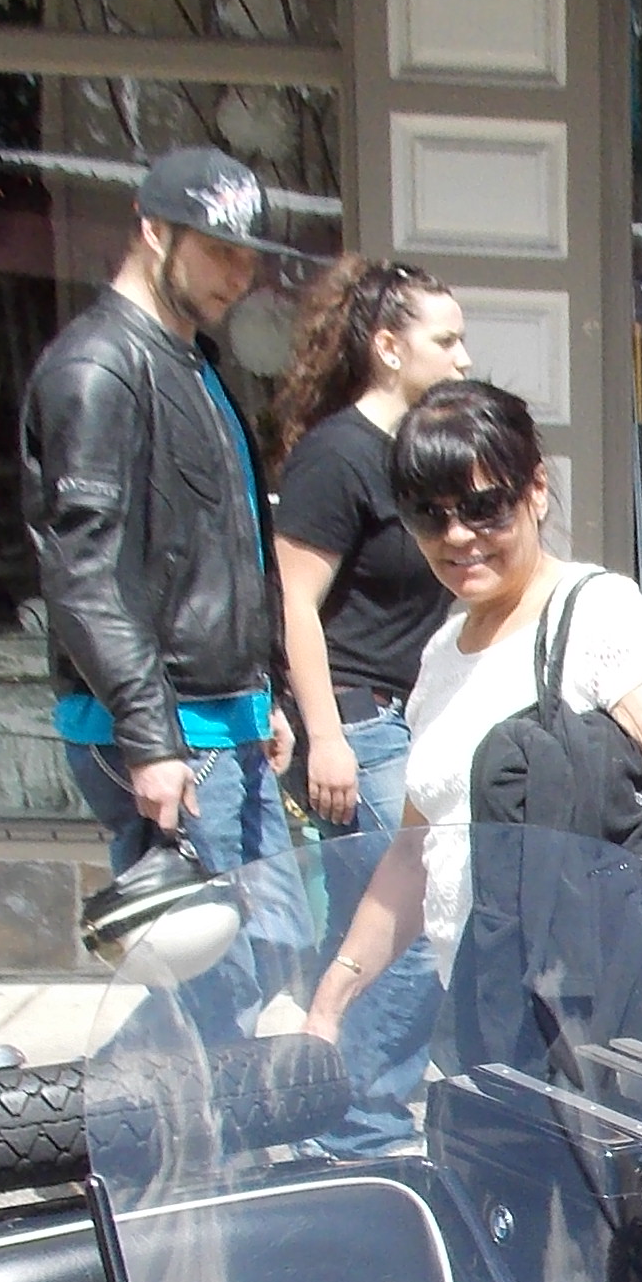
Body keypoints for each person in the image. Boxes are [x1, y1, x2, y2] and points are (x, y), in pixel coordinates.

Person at [303, 381, 642, 1089]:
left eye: (483, 508)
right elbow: (418, 851)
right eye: (429, 515)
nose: (458, 536)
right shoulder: (443, 651)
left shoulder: (598, 617)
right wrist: (333, 998)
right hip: (488, 1017)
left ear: (536, 491)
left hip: (604, 1026)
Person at [29, 145, 306, 1017]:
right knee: (213, 990)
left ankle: (157, 1098)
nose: (240, 274)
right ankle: (137, 1104)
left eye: (248, 254)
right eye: (219, 250)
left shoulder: (191, 362)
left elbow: (229, 550)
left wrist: (267, 692)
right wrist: (151, 741)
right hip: (168, 726)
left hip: (224, 716)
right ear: (154, 232)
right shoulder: (97, 369)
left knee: (268, 961)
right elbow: (83, 575)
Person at [264, 257, 467, 1131]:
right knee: (409, 928)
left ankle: (335, 1109)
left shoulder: (413, 459)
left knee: (384, 925)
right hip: (359, 719)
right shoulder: (337, 455)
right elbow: (295, 605)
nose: (461, 358)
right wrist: (325, 735)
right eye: (445, 340)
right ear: (388, 347)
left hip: (407, 719)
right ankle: (360, 1125)